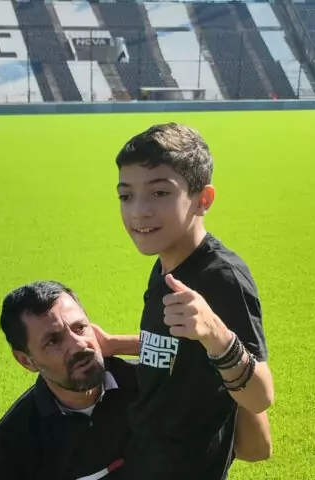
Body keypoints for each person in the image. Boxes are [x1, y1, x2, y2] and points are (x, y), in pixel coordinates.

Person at [112, 122, 275, 480]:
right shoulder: (166, 263)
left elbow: (260, 395)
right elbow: (177, 348)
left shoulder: (221, 277)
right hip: (144, 459)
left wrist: (217, 335)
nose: (139, 211)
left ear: (203, 199)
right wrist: (114, 343)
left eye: (159, 193)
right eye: (126, 196)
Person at [0, 280, 271, 480]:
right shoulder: (12, 442)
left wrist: (218, 355)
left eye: (80, 327)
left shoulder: (154, 386)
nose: (78, 345)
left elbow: (257, 448)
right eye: (53, 341)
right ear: (26, 361)